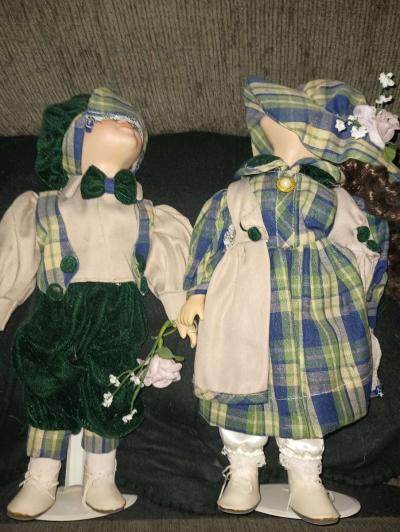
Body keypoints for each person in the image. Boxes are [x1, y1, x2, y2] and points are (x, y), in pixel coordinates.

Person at [176, 77, 400, 525]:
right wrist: (196, 292)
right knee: (239, 388)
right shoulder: (236, 193)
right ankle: (242, 471)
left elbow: (366, 249)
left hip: (317, 307)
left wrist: (363, 310)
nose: (264, 121)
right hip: (243, 304)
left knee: (308, 398)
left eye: (280, 115)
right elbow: (208, 240)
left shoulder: (337, 196)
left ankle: (305, 478)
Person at [0, 88, 193, 519]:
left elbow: (164, 260)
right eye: (108, 119)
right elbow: (15, 256)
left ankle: (102, 475)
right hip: (58, 309)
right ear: (74, 139)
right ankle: (41, 477)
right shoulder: (43, 206)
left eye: (135, 124)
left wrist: (178, 304)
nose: (128, 125)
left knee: (112, 388)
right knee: (48, 384)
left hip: (119, 312)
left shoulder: (147, 213)